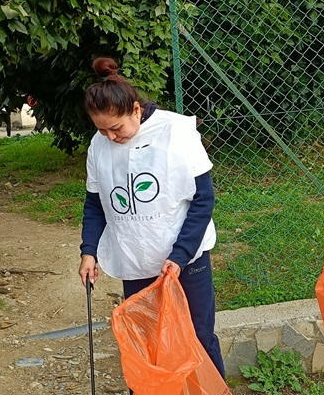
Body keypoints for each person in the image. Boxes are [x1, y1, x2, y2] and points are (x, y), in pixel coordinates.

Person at [77, 57, 225, 377]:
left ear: (135, 109)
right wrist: (89, 251)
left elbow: (203, 199)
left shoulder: (176, 132)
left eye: (116, 128)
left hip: (187, 261)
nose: (111, 137)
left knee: (198, 337)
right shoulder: (98, 146)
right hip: (136, 262)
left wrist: (180, 255)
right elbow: (95, 204)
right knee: (145, 343)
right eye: (101, 130)